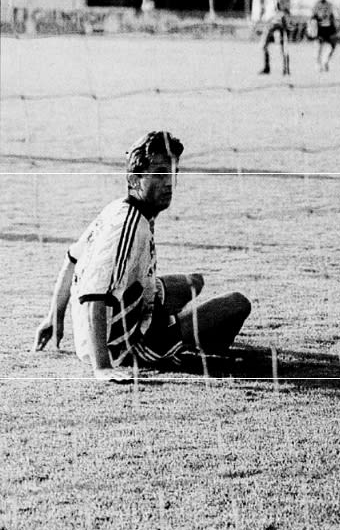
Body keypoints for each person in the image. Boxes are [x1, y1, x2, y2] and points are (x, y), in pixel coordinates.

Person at [32, 131, 253, 382]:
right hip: (123, 345)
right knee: (237, 304)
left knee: (194, 283)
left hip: (131, 310)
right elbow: (94, 295)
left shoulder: (118, 208)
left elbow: (72, 258)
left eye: (173, 173)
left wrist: (54, 317)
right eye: (159, 174)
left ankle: (184, 331)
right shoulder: (128, 228)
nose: (169, 183)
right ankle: (180, 342)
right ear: (134, 179)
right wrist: (102, 367)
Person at [260, 2, 291, 76]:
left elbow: (286, 25)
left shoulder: (281, 14)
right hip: (274, 32)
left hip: (277, 32)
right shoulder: (276, 14)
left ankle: (284, 69)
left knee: (283, 50)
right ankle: (269, 68)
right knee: (282, 50)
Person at [311, 0, 337, 72]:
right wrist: (313, 28)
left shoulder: (329, 5)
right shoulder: (316, 5)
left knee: (332, 45)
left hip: (328, 28)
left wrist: (333, 27)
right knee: (318, 47)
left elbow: (331, 17)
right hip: (320, 29)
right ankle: (318, 64)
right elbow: (313, 17)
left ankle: (325, 61)